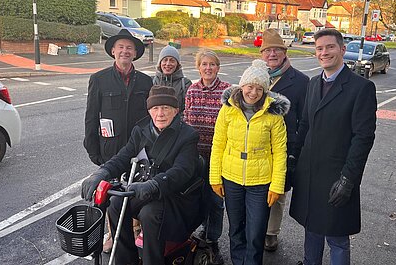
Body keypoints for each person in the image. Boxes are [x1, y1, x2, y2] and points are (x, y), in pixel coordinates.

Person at [81, 85, 203, 265]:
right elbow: (123, 156)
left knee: (149, 213)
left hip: (174, 196)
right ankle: (125, 260)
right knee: (115, 204)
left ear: (176, 111)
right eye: (155, 108)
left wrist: (154, 185)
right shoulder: (141, 130)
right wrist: (102, 172)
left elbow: (182, 172)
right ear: (149, 110)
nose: (160, 113)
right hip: (143, 189)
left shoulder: (188, 135)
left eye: (166, 108)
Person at [289, 29, 377, 265]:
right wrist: (292, 161)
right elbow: (305, 125)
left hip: (337, 175)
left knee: (337, 239)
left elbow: (363, 138)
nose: (324, 52)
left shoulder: (361, 88)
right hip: (309, 174)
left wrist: (348, 179)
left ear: (342, 49)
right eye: (319, 48)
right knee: (311, 230)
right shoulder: (313, 83)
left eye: (330, 47)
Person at [210, 59, 290, 265]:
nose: (253, 93)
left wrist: (277, 185)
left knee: (255, 232)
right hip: (231, 177)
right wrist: (214, 178)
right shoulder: (228, 109)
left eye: (259, 89)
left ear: (264, 91)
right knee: (236, 229)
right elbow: (218, 144)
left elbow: (280, 152)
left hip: (261, 181)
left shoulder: (273, 115)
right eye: (249, 87)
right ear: (241, 86)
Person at [83, 28, 153, 252]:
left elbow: (151, 117)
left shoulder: (145, 81)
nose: (125, 51)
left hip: (138, 151)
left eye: (129, 48)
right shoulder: (99, 79)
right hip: (110, 151)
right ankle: (113, 234)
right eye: (120, 47)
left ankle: (135, 232)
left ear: (135, 53)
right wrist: (94, 151)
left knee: (135, 193)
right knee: (108, 196)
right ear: (113, 51)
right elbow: (91, 117)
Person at [260, 28, 309, 252]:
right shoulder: (257, 76)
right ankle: (256, 227)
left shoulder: (300, 80)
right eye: (267, 50)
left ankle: (271, 233)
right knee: (256, 188)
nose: (272, 54)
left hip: (285, 144)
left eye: (276, 50)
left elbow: (305, 118)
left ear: (284, 52)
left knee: (277, 190)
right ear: (262, 54)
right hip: (257, 143)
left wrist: (297, 147)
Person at [183, 50, 231, 265]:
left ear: (218, 67)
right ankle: (196, 236)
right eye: (204, 64)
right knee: (194, 197)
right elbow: (185, 119)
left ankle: (212, 239)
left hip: (218, 155)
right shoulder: (192, 90)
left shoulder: (227, 90)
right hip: (195, 155)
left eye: (212, 64)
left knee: (215, 200)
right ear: (198, 67)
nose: (208, 68)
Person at [153, 45, 192, 113]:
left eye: (172, 60)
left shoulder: (185, 84)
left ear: (177, 64)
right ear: (160, 63)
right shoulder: (151, 81)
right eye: (165, 60)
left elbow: (187, 110)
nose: (168, 64)